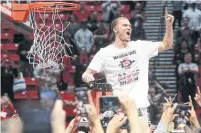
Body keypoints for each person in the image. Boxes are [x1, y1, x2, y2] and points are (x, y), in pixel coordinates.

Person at [82, 7, 174, 133]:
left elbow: (167, 44)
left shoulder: (140, 46)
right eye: (125, 25)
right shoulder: (105, 52)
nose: (129, 27)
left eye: (130, 25)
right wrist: (88, 75)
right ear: (115, 30)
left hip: (141, 109)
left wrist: (169, 26)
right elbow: (87, 72)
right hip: (119, 111)